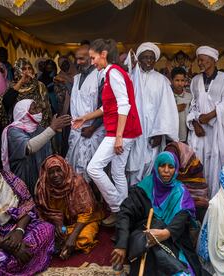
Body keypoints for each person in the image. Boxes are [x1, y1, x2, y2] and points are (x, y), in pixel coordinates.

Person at [72, 38, 142, 227]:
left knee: (93, 168)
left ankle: (119, 209)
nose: (92, 62)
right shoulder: (109, 73)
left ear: (103, 55)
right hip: (125, 131)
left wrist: (118, 137)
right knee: (118, 172)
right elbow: (106, 108)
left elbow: (124, 105)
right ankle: (125, 215)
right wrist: (85, 117)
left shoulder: (113, 73)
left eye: (93, 57)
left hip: (122, 132)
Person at [113, 152, 202, 276]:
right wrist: (121, 244)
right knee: (151, 255)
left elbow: (182, 217)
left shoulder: (180, 192)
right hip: (145, 236)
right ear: (156, 167)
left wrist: (165, 233)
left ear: (176, 169)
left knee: (180, 268)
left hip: (172, 238)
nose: (166, 171)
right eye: (162, 166)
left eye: (170, 167)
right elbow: (125, 213)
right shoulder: (144, 188)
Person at [186, 45, 224, 197]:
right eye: (198, 60)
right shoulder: (195, 80)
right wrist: (195, 124)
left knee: (215, 165)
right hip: (199, 132)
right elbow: (193, 105)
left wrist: (209, 116)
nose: (199, 63)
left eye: (202, 60)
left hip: (218, 131)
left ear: (212, 60)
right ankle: (198, 200)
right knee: (199, 163)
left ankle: (214, 201)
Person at [127, 42, 179, 185]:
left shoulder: (162, 81)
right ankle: (133, 199)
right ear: (139, 59)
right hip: (134, 131)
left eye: (151, 58)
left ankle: (149, 200)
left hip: (153, 132)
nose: (149, 61)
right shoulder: (130, 78)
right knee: (132, 166)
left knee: (151, 166)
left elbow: (166, 108)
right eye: (145, 57)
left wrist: (159, 132)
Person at [35, 155, 103, 259]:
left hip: (82, 223)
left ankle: (65, 245)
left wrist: (72, 237)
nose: (55, 175)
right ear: (46, 174)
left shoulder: (76, 182)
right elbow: (43, 212)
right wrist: (58, 225)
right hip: (61, 225)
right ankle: (64, 245)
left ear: (65, 169)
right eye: (51, 172)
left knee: (85, 236)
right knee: (45, 235)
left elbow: (87, 212)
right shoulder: (44, 187)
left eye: (59, 170)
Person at [1, 99, 71, 193]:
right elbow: (29, 147)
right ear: (24, 112)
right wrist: (52, 129)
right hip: (24, 176)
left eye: (38, 107)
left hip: (40, 177)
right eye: (34, 108)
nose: (39, 111)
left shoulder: (39, 128)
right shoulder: (13, 131)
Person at [65, 46, 105, 181]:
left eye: (82, 59)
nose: (78, 62)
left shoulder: (101, 76)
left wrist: (92, 128)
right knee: (74, 170)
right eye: (76, 59)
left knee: (92, 173)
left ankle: (93, 201)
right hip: (77, 132)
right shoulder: (76, 78)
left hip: (94, 131)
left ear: (92, 58)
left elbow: (105, 107)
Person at [0, 57, 52, 128]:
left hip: (38, 124)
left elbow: (46, 107)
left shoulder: (39, 85)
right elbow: (6, 102)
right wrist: (21, 82)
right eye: (24, 69)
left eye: (29, 68)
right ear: (17, 70)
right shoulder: (13, 86)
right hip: (20, 126)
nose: (27, 72)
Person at [165, 141, 208, 222]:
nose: (166, 170)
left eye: (172, 163)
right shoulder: (162, 178)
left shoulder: (193, 171)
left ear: (182, 157)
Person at [171, 67, 192, 143]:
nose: (180, 83)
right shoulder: (167, 96)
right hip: (170, 137)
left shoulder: (189, 97)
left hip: (185, 137)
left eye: (182, 80)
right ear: (172, 80)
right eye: (177, 80)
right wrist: (175, 109)